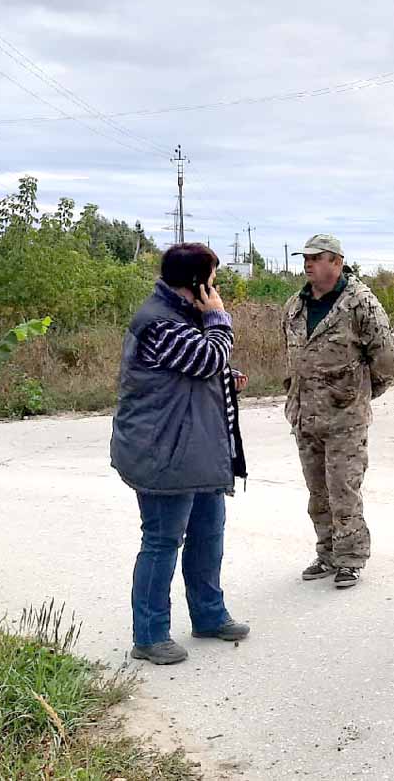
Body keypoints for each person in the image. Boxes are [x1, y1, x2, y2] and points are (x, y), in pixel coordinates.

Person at [111, 243, 250, 666]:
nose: (217, 286)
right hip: (163, 454)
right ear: (195, 283)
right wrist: (219, 318)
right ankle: (149, 636)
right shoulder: (158, 322)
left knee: (209, 535)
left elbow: (200, 369)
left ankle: (209, 615)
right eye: (212, 277)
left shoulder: (182, 318)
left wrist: (226, 378)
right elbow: (207, 356)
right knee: (161, 541)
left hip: (199, 451)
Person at [283, 234, 394, 589]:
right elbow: (292, 355)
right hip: (305, 414)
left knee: (343, 488)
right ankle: (327, 552)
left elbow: (385, 354)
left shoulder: (359, 302)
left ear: (336, 261)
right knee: (317, 490)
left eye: (317, 257)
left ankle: (350, 558)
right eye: (306, 257)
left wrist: (365, 393)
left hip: (345, 416)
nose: (308, 263)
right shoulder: (295, 305)